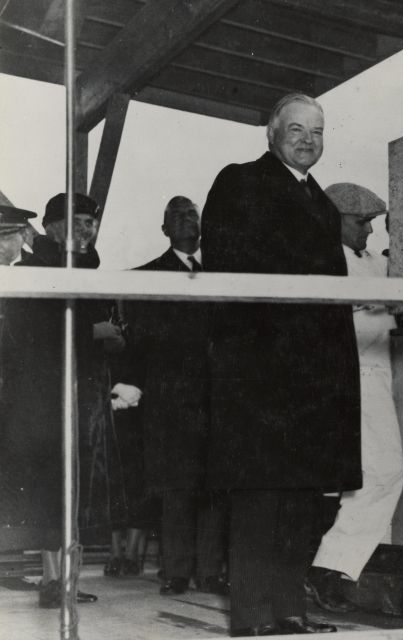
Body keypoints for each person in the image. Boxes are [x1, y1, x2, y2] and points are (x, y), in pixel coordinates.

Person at [202, 93, 360, 636]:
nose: (307, 140)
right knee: (259, 495)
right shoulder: (240, 181)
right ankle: (251, 618)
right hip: (262, 372)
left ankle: (289, 609)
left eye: (317, 132)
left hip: (314, 379)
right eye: (296, 129)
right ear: (271, 133)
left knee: (302, 497)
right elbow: (229, 266)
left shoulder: (324, 204)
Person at [0, 193, 141, 608]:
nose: (87, 231)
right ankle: (53, 579)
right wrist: (95, 332)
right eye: (78, 222)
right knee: (50, 486)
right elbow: (34, 338)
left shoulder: (80, 267)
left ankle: (60, 579)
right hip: (41, 400)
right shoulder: (32, 269)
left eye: (91, 223)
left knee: (68, 488)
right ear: (52, 226)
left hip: (77, 395)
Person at [118, 196, 227, 595]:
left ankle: (211, 572)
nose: (185, 220)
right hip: (170, 399)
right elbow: (143, 341)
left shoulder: (225, 272)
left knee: (215, 485)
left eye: (191, 213)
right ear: (164, 229)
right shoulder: (148, 277)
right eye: (175, 216)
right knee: (177, 487)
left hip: (217, 398)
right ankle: (177, 572)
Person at [305, 183, 403, 613]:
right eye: (360, 222)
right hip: (353, 376)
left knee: (372, 474)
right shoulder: (327, 259)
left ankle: (338, 570)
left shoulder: (370, 262)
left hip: (379, 373)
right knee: (385, 471)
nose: (368, 231)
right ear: (334, 220)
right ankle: (329, 567)